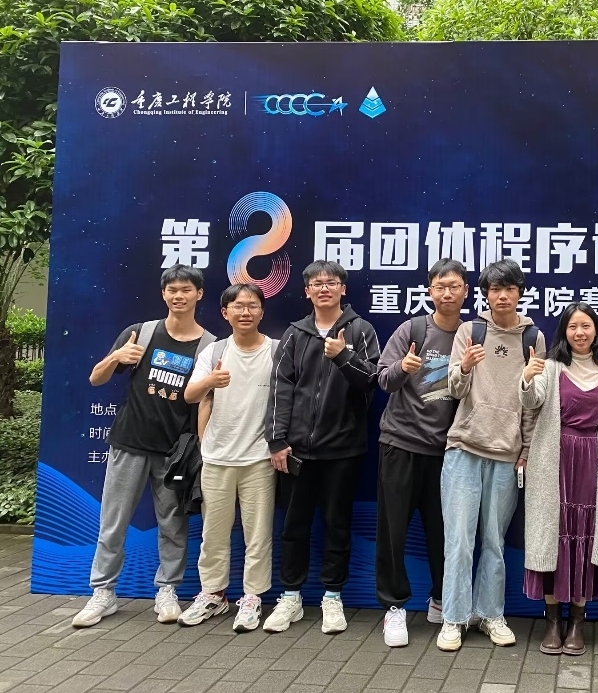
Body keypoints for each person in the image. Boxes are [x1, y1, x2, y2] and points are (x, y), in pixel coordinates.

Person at [73, 264, 215, 628]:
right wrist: (115, 357)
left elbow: (207, 402)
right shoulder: (140, 333)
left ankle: (167, 590)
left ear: (199, 294)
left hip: (175, 454)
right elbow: (96, 378)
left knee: (173, 526)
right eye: (172, 290)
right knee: (113, 522)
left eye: (186, 289)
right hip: (129, 443)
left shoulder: (209, 346)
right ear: (163, 294)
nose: (179, 296)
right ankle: (103, 593)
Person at [262, 260, 381, 635]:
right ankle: (290, 597)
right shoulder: (294, 334)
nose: (324, 288)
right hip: (296, 451)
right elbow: (280, 389)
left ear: (343, 288)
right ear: (307, 291)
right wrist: (277, 440)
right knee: (293, 526)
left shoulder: (360, 330)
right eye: (317, 283)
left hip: (343, 450)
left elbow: (371, 381)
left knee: (337, 525)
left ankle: (332, 596)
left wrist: (343, 356)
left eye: (331, 282)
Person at [438, 259, 546, 652]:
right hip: (464, 448)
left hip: (506, 454)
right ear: (485, 294)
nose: (502, 296)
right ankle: (453, 618)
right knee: (459, 540)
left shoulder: (533, 337)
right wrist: (465, 368)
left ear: (519, 292)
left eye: (509, 289)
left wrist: (527, 450)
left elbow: (535, 404)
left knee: (494, 542)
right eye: (495, 289)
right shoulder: (471, 330)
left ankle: (490, 615)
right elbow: (454, 390)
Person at [520, 303, 598, 656]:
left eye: (586, 326)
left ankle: (578, 621)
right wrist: (527, 377)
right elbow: (531, 402)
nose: (580, 333)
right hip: (553, 461)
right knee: (553, 536)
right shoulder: (550, 366)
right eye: (572, 327)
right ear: (564, 332)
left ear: (596, 331)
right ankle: (552, 621)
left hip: (592, 462)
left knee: (586, 536)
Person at [375, 259, 468, 647]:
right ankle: (394, 606)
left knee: (445, 532)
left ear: (465, 291)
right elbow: (383, 379)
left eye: (454, 286)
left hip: (450, 451)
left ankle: (441, 600)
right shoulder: (412, 330)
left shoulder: (472, 334)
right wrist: (403, 366)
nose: (447, 293)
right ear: (429, 291)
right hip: (401, 444)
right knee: (393, 531)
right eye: (440, 286)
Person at [177, 283, 277, 632]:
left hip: (259, 459)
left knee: (258, 534)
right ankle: (213, 594)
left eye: (252, 305)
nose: (245, 312)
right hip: (216, 457)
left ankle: (252, 598)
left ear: (262, 311)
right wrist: (210, 381)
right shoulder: (214, 350)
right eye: (238, 306)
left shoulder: (277, 350)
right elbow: (190, 396)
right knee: (213, 533)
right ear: (225, 312)